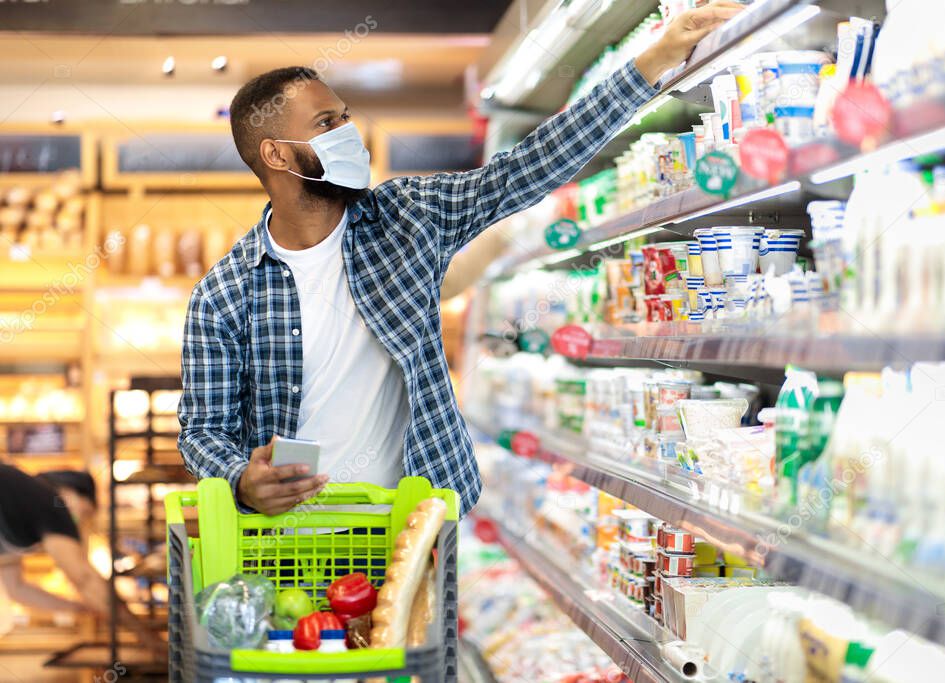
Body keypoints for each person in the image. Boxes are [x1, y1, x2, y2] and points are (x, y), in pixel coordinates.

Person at [178, 2, 744, 516]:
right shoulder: (225, 296)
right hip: (289, 544)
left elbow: (525, 168)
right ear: (277, 155)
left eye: (345, 116)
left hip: (416, 527)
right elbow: (203, 430)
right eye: (327, 124)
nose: (348, 132)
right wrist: (239, 481)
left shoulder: (407, 217)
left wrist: (653, 60)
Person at [0, 466, 165, 657]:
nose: (77, 524)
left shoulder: (21, 506)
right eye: (85, 512)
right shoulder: (52, 505)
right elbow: (85, 579)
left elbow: (17, 589)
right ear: (70, 491)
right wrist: (147, 637)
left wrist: (80, 608)